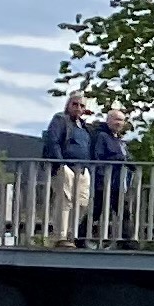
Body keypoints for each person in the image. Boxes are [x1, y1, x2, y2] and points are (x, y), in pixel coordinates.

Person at [36, 90, 99, 245]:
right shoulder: (60, 120)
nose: (78, 108)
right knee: (65, 201)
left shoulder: (85, 126)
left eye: (81, 105)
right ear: (68, 105)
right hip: (66, 166)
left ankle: (72, 233)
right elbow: (53, 141)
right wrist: (60, 163)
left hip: (83, 169)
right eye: (74, 104)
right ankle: (61, 236)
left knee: (82, 203)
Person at [89, 106, 133, 243]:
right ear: (108, 120)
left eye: (122, 120)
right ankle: (128, 241)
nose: (119, 123)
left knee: (122, 211)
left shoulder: (119, 141)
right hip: (106, 181)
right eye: (116, 119)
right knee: (98, 210)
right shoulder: (102, 137)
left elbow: (127, 158)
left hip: (118, 182)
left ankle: (127, 239)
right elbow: (98, 157)